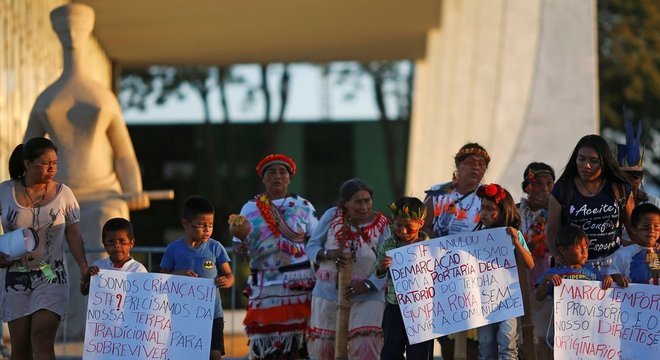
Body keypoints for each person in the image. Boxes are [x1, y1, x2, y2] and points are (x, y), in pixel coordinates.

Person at [24, 3, 149, 338]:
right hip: (60, 198)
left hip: (104, 192)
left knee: (111, 232)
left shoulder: (102, 96)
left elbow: (123, 152)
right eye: (65, 31)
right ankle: (64, 326)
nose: (72, 37)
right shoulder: (46, 98)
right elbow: (27, 153)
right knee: (52, 254)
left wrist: (133, 185)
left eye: (77, 30)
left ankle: (112, 327)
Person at [0, 137, 89, 359]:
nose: (52, 168)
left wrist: (84, 267)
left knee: (41, 337)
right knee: (19, 348)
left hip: (51, 276)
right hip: (15, 277)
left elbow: (74, 234)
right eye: (44, 163)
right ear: (27, 164)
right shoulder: (5, 191)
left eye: (55, 163)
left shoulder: (64, 193)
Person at [232, 154, 318, 360]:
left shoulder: (304, 206)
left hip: (298, 286)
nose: (277, 176)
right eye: (272, 172)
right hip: (265, 285)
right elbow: (238, 246)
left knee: (299, 344)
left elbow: (316, 242)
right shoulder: (249, 208)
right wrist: (241, 249)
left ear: (289, 178)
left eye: (282, 172)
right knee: (266, 344)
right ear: (263, 178)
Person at [306, 179, 390, 360]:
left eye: (367, 200)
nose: (364, 206)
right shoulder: (331, 216)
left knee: (365, 348)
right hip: (328, 292)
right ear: (345, 203)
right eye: (358, 202)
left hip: (368, 295)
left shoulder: (382, 224)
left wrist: (369, 285)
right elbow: (311, 247)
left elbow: (387, 261)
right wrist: (329, 254)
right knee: (324, 349)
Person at [545, 134, 635, 273]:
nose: (586, 166)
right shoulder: (562, 189)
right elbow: (552, 231)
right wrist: (558, 257)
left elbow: (634, 230)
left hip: (616, 265)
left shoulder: (619, 188)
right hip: (576, 266)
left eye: (593, 161)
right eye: (581, 159)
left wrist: (651, 258)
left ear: (604, 162)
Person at [160, 196, 234, 360]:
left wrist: (227, 281)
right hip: (182, 314)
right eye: (201, 225)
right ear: (186, 224)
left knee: (214, 354)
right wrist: (178, 274)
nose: (207, 229)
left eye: (211, 224)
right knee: (185, 354)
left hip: (213, 313)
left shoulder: (215, 247)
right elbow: (162, 278)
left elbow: (230, 275)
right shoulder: (174, 249)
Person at [473, 184, 534, 360]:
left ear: (503, 211)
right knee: (485, 346)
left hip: (508, 299)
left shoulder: (513, 235)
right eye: (482, 208)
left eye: (490, 209)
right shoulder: (476, 237)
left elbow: (530, 263)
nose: (484, 213)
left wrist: (516, 242)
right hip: (484, 300)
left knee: (507, 343)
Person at [535, 225, 610, 354]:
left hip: (589, 326)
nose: (584, 251)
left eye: (586, 246)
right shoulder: (554, 272)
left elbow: (603, 296)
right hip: (564, 328)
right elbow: (539, 297)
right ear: (563, 250)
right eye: (579, 247)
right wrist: (547, 280)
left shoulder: (593, 273)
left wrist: (608, 279)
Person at [376, 196, 433, 360]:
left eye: (409, 227)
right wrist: (381, 267)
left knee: (419, 355)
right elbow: (377, 271)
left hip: (421, 311)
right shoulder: (388, 245)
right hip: (395, 308)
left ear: (421, 225)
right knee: (390, 353)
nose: (403, 231)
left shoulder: (429, 247)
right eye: (398, 225)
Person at [423, 143, 490, 238]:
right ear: (457, 165)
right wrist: (442, 247)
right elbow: (423, 226)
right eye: (470, 162)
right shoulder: (437, 192)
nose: (476, 167)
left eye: (481, 164)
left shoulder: (489, 197)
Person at [80, 218, 147, 294]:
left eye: (122, 241)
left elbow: (144, 296)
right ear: (104, 244)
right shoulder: (98, 267)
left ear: (131, 243)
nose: (116, 245)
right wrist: (87, 276)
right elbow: (84, 291)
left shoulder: (138, 270)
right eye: (111, 241)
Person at [605, 203, 660, 286]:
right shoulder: (622, 253)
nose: (652, 230)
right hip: (632, 297)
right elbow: (613, 272)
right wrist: (617, 277)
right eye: (646, 226)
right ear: (634, 229)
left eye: (656, 226)